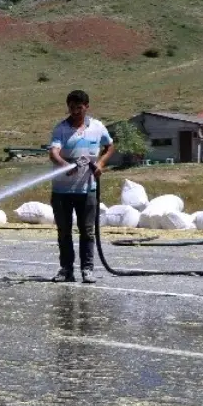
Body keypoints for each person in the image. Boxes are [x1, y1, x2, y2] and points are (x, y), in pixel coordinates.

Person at [48, 89, 114, 283]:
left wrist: (101, 163)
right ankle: (66, 269)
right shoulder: (61, 128)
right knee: (64, 231)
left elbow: (110, 146)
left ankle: (87, 269)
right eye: (71, 108)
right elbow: (54, 152)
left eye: (79, 108)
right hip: (62, 191)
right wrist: (64, 165)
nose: (75, 111)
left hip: (87, 189)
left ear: (86, 107)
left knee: (87, 231)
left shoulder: (97, 127)